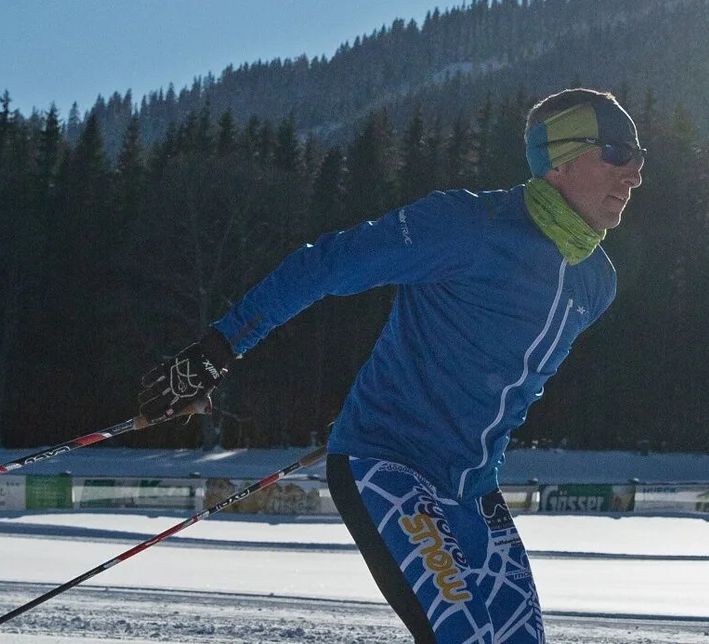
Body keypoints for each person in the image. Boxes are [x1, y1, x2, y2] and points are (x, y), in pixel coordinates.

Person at [137, 88, 645, 643]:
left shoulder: (597, 282)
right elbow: (325, 266)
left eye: (641, 160)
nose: (635, 174)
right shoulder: (466, 225)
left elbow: (509, 383)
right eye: (618, 154)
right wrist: (215, 352)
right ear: (560, 159)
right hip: (390, 466)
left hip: (473, 490)